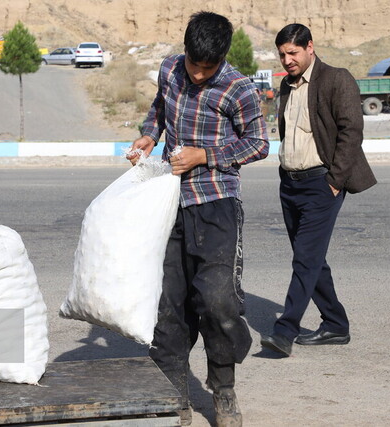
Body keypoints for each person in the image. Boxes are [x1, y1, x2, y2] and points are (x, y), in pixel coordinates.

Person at [127, 11, 269, 426]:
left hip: (216, 202)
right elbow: (158, 109)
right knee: (167, 305)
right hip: (168, 201)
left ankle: (223, 389)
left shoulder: (239, 88)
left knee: (217, 300)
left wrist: (206, 155)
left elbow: (258, 144)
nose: (200, 73)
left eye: (209, 68)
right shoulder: (169, 69)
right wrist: (149, 135)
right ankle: (173, 397)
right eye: (194, 64)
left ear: (222, 58)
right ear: (185, 51)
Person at [260, 24, 377, 357]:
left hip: (321, 184)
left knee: (306, 259)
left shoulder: (336, 78)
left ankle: (285, 330)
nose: (287, 59)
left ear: (310, 47)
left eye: (293, 52)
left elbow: (351, 131)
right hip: (290, 184)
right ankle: (336, 324)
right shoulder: (286, 84)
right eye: (282, 53)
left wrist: (334, 180)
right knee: (309, 258)